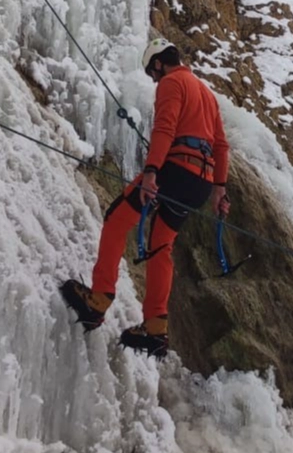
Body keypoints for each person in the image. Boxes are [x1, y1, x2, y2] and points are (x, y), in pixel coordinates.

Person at [61, 36, 230, 357]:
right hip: (201, 184)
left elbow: (165, 128)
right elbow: (221, 146)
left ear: (158, 63)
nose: (153, 80)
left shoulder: (172, 83)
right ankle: (155, 326)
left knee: (115, 219)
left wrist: (152, 171)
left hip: (175, 170)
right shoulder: (206, 94)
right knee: (160, 246)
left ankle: (99, 299)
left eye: (152, 73)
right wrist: (219, 190)